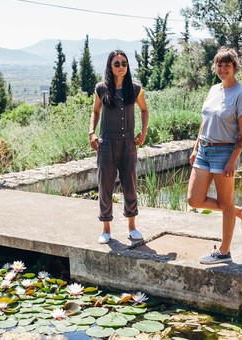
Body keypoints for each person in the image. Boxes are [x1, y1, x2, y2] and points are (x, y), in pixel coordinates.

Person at [187, 47, 242, 264]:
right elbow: (204, 121)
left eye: (227, 65)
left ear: (234, 67)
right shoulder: (214, 90)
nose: (223, 68)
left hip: (224, 151)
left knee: (225, 202)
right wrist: (196, 147)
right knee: (194, 200)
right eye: (219, 64)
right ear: (215, 66)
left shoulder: (241, 95)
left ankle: (224, 252)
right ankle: (241, 213)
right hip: (205, 149)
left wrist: (232, 160)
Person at [89, 50, 149, 244]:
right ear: (110, 66)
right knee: (105, 186)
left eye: (124, 63)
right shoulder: (101, 88)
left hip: (128, 143)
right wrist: (92, 132)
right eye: (117, 63)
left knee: (130, 185)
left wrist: (144, 131)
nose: (121, 66)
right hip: (106, 143)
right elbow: (95, 111)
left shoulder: (135, 88)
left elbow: (144, 109)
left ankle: (132, 228)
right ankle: (106, 229)